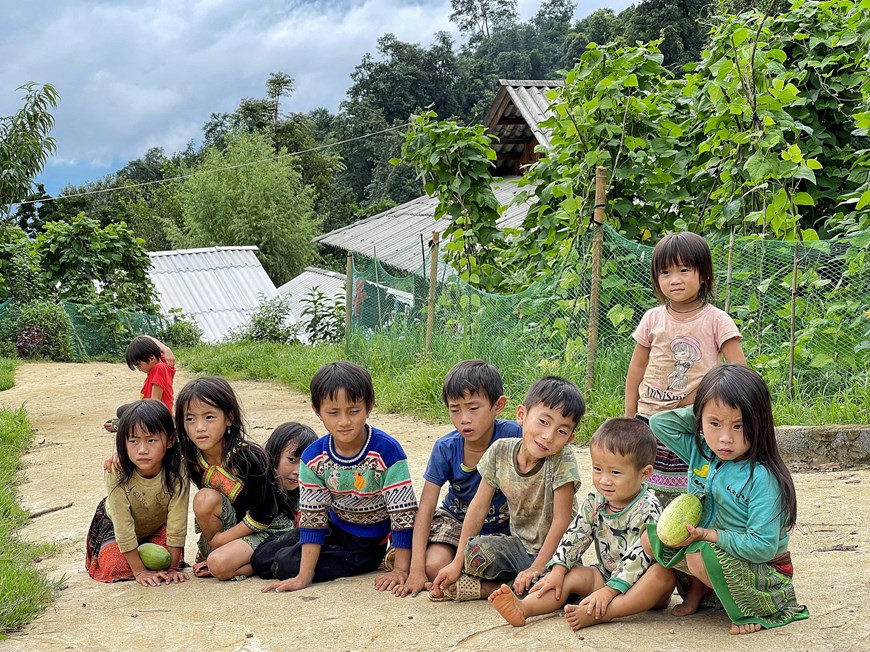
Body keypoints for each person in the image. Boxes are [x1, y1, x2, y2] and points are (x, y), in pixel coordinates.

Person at [642, 364, 809, 635]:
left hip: (763, 569)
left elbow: (764, 547)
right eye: (715, 423)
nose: (725, 439)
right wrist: (704, 409)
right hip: (714, 551)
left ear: (759, 423)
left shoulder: (762, 478)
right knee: (651, 539)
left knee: (699, 555)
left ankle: (758, 608)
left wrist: (709, 535)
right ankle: (707, 591)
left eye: (739, 425)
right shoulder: (702, 450)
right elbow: (659, 424)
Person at [489, 418, 676, 629]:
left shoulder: (648, 508)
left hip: (641, 585)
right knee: (568, 576)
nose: (604, 480)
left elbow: (640, 555)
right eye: (598, 469)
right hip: (604, 575)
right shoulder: (595, 500)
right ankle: (524, 608)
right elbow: (576, 534)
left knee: (663, 575)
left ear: (645, 474)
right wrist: (558, 570)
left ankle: (605, 612)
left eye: (615, 472)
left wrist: (609, 591)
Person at [260, 362, 418, 593]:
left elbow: (402, 514)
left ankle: (364, 561)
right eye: (333, 412)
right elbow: (313, 519)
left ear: (369, 407)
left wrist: (401, 569)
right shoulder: (314, 457)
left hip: (368, 542)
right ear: (317, 410)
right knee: (262, 557)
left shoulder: (386, 451)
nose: (344, 421)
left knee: (285, 565)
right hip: (334, 527)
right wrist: (304, 576)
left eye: (353, 411)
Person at [430, 376, 584, 602]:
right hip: (519, 545)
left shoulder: (563, 460)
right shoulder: (500, 451)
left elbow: (561, 520)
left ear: (571, 438)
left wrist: (539, 567)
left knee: (568, 585)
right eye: (543, 421)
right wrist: (457, 562)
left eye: (562, 431)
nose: (548, 436)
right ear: (521, 415)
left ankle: (490, 588)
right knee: (474, 552)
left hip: (557, 554)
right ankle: (519, 583)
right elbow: (479, 506)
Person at [625, 231, 746, 508]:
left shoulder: (717, 320)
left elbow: (739, 370)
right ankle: (652, 545)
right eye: (665, 272)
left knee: (693, 492)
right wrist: (630, 415)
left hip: (692, 422)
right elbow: (637, 368)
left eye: (684, 270)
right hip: (649, 417)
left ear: (703, 274)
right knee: (646, 492)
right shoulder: (652, 318)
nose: (674, 279)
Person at [394, 360, 521, 598]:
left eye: (473, 408)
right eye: (455, 409)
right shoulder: (445, 448)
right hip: (457, 521)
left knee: (507, 562)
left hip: (505, 526)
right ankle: (467, 576)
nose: (464, 419)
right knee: (434, 567)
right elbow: (427, 508)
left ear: (498, 405)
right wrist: (416, 570)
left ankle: (473, 582)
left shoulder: (515, 437)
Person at [176, 376, 293, 581]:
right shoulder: (193, 458)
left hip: (269, 528)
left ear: (229, 418)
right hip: (232, 526)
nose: (199, 427)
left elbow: (264, 515)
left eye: (209, 417)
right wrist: (121, 458)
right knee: (204, 498)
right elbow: (156, 452)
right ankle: (221, 553)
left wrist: (221, 540)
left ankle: (248, 564)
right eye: (190, 419)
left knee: (218, 565)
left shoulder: (249, 458)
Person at [86, 399, 189, 585]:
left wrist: (173, 567)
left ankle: (147, 553)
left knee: (165, 560)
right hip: (116, 526)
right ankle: (136, 557)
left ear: (170, 440)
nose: (142, 450)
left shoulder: (178, 468)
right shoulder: (116, 471)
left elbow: (178, 517)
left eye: (151, 440)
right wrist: (140, 571)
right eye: (133, 441)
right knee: (115, 566)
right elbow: (123, 526)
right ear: (123, 443)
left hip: (156, 524)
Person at [249, 422, 318, 577]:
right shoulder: (258, 485)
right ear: (273, 454)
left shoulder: (312, 493)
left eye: (305, 463)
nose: (298, 472)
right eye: (292, 460)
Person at [103, 335, 176, 432]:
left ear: (151, 359)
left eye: (139, 365)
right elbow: (145, 337)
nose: (139, 369)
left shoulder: (160, 369)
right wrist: (166, 348)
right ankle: (129, 421)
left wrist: (127, 421)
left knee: (127, 413)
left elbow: (154, 405)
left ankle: (127, 425)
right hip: (149, 407)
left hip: (157, 415)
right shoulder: (160, 361)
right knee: (122, 410)